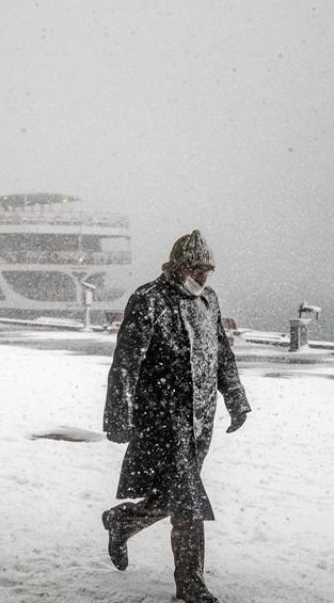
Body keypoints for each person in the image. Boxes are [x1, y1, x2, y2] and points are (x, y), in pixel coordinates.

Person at [102, 229, 250, 603]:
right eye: (197, 270)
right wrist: (119, 414)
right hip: (161, 421)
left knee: (172, 496)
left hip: (200, 421)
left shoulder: (208, 302)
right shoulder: (149, 300)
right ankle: (190, 584)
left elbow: (221, 356)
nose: (202, 279)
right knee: (188, 501)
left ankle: (122, 522)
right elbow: (126, 363)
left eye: (207, 272)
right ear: (179, 266)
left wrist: (235, 398)